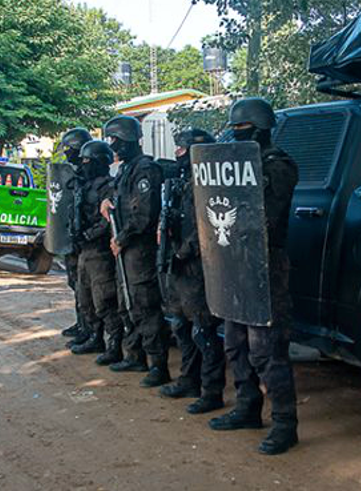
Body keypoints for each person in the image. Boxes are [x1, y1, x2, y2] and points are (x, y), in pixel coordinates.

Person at [208, 98, 300, 455]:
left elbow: (269, 216)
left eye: (242, 129)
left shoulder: (278, 165)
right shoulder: (233, 165)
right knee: (235, 344)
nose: (235, 134)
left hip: (265, 265)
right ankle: (247, 408)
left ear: (260, 129)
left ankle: (285, 424)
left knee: (267, 350)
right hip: (235, 264)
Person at [159, 128, 227, 414]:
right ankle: (189, 379)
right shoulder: (183, 182)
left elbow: (208, 227)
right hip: (179, 265)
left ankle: (212, 391)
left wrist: (182, 251)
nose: (178, 154)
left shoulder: (210, 182)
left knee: (203, 329)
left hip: (198, 266)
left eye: (182, 148)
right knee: (181, 325)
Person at [100, 115, 170, 387]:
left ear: (130, 139)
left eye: (117, 140)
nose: (114, 146)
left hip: (138, 248)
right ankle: (135, 354)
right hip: (125, 247)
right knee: (124, 301)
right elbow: (118, 200)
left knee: (143, 304)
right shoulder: (126, 169)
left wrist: (122, 238)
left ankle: (158, 364)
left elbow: (144, 215)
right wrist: (107, 200)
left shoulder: (146, 169)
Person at [69, 140, 124, 364]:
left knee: (104, 300)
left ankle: (115, 345)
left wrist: (90, 235)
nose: (84, 164)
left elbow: (108, 219)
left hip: (100, 250)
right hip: (84, 250)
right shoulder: (86, 184)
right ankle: (95, 336)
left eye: (88, 160)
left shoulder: (108, 186)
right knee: (85, 298)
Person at [57, 127, 93, 344]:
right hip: (72, 237)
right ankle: (81, 322)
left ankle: (89, 327)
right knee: (75, 283)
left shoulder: (89, 174)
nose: (66, 153)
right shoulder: (72, 174)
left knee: (85, 287)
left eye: (69, 148)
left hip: (86, 240)